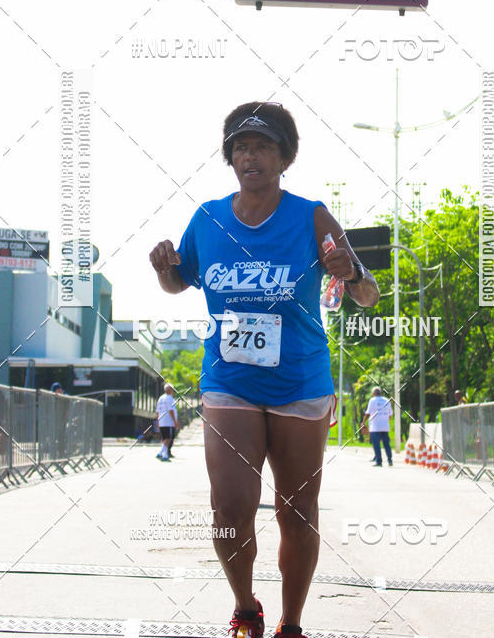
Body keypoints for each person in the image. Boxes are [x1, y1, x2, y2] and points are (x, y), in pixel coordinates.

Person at [149, 101, 379, 638]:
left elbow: (366, 294)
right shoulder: (207, 219)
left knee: (297, 513)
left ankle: (291, 623)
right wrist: (164, 269)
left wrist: (351, 270)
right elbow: (179, 281)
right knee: (229, 507)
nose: (250, 156)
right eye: (241, 147)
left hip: (299, 381)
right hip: (230, 381)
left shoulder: (311, 216)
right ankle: (245, 607)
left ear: (284, 158)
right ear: (230, 158)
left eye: (263, 147)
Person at [362, 387, 393, 467]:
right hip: (385, 426)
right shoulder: (387, 400)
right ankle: (390, 460)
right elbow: (390, 415)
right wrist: (385, 421)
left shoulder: (372, 400)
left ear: (373, 393)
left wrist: (363, 422)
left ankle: (379, 461)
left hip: (375, 427)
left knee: (376, 444)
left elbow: (368, 413)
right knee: (386, 444)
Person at [155, 383, 178, 462]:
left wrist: (158, 421)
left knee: (165, 438)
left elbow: (157, 411)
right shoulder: (170, 398)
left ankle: (161, 453)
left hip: (162, 421)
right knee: (168, 438)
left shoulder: (160, 398)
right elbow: (171, 410)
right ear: (171, 390)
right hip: (168, 421)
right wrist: (175, 421)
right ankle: (164, 455)